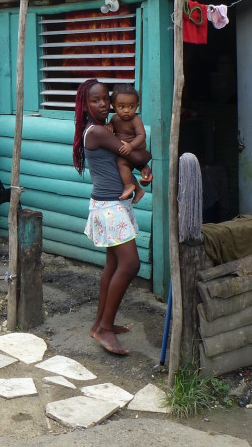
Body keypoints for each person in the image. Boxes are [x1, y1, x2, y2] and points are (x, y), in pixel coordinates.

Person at [73, 78, 152, 355]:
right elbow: (136, 154)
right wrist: (145, 160)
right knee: (130, 265)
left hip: (114, 204)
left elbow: (133, 155)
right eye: (96, 100)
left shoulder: (101, 129)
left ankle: (100, 325)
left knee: (112, 266)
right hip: (109, 208)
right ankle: (105, 329)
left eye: (106, 99)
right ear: (85, 104)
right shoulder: (96, 132)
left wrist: (141, 162)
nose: (104, 104)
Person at [108, 84, 150, 203]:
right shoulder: (114, 119)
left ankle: (128, 186)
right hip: (124, 150)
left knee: (121, 164)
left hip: (136, 148)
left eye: (131, 106)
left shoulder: (135, 120)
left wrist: (131, 146)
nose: (126, 110)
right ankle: (140, 187)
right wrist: (109, 126)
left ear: (137, 106)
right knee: (122, 166)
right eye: (121, 107)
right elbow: (112, 128)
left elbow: (142, 136)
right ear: (114, 106)